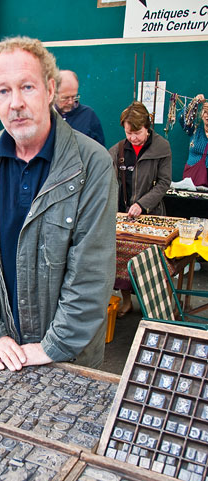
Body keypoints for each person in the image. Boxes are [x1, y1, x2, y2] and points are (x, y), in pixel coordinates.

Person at [0, 36, 117, 372]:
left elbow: (91, 272)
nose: (15, 103)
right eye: (3, 91)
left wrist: (53, 345)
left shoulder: (91, 165)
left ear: (50, 89)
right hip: (3, 353)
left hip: (69, 358)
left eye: (27, 87)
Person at [109, 101, 172, 318]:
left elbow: (164, 183)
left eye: (137, 133)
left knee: (151, 263)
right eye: (129, 133)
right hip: (123, 213)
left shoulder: (162, 147)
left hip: (152, 214)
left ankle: (152, 305)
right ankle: (126, 301)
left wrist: (143, 204)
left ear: (147, 127)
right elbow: (108, 181)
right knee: (120, 261)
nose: (133, 138)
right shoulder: (117, 151)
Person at [54, 70, 105, 146]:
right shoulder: (45, 115)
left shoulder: (89, 116)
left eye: (74, 96)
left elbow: (99, 151)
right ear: (53, 93)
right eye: (65, 98)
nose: (71, 102)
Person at [179, 93, 208, 185]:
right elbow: (182, 118)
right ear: (201, 115)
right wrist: (195, 102)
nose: (207, 115)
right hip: (192, 176)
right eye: (205, 112)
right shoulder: (195, 129)